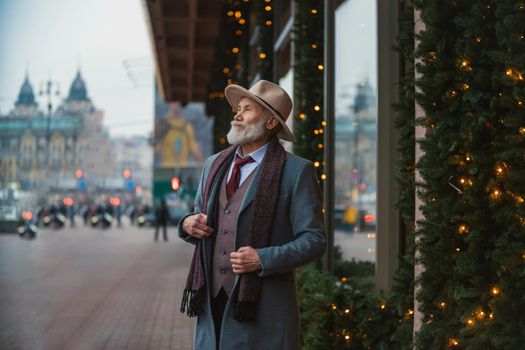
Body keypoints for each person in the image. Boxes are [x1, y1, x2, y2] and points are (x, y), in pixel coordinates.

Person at [178, 79, 326, 349]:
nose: (237, 114)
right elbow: (197, 216)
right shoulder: (214, 164)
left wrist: (262, 258)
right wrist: (188, 224)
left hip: (262, 309)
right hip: (211, 305)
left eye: (247, 109)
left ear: (270, 123)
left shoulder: (296, 172)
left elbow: (314, 241)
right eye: (238, 108)